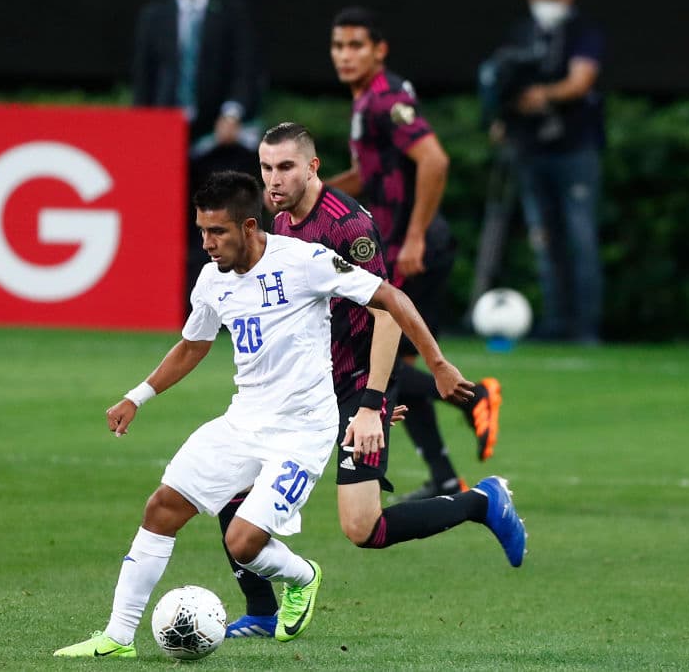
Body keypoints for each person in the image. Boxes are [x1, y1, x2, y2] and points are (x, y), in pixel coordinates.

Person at [53, 171, 496, 657]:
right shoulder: (211, 280)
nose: (207, 243)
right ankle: (117, 637)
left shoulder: (305, 262)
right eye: (201, 231)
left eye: (217, 232)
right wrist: (137, 396)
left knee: (243, 543)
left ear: (248, 226)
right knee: (161, 508)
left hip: (302, 432)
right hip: (243, 421)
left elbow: (390, 298)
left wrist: (436, 363)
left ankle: (303, 577)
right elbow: (193, 346)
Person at [219, 123, 528, 638]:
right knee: (229, 483)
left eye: (286, 167)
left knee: (363, 528)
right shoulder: (276, 221)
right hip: (301, 391)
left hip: (353, 389)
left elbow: (386, 313)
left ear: (313, 167)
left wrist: (371, 404)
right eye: (267, 167)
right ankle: (261, 611)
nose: (273, 179)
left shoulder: (347, 227)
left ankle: (482, 501)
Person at [326, 6, 503, 502]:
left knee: (373, 359)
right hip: (400, 246)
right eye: (338, 46)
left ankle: (476, 398)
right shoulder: (370, 102)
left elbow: (434, 159)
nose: (345, 55)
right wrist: (310, 194)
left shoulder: (384, 100)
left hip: (410, 250)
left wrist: (417, 236)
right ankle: (445, 476)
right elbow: (370, 177)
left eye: (356, 45)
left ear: (379, 50)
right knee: (397, 360)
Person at [486, 0, 605, 344]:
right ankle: (556, 323)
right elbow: (502, 80)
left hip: (574, 148)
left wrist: (543, 95)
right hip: (530, 149)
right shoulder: (522, 33)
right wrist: (502, 114)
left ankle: (585, 326)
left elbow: (581, 80)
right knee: (544, 239)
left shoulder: (584, 31)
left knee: (579, 236)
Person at [131, 0, 265, 296]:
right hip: (168, 139)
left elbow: (247, 68)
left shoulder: (232, 10)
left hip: (218, 140)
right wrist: (143, 129)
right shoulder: (155, 15)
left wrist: (233, 112)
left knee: (223, 223)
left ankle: (239, 299)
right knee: (173, 229)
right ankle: (185, 305)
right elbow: (144, 78)